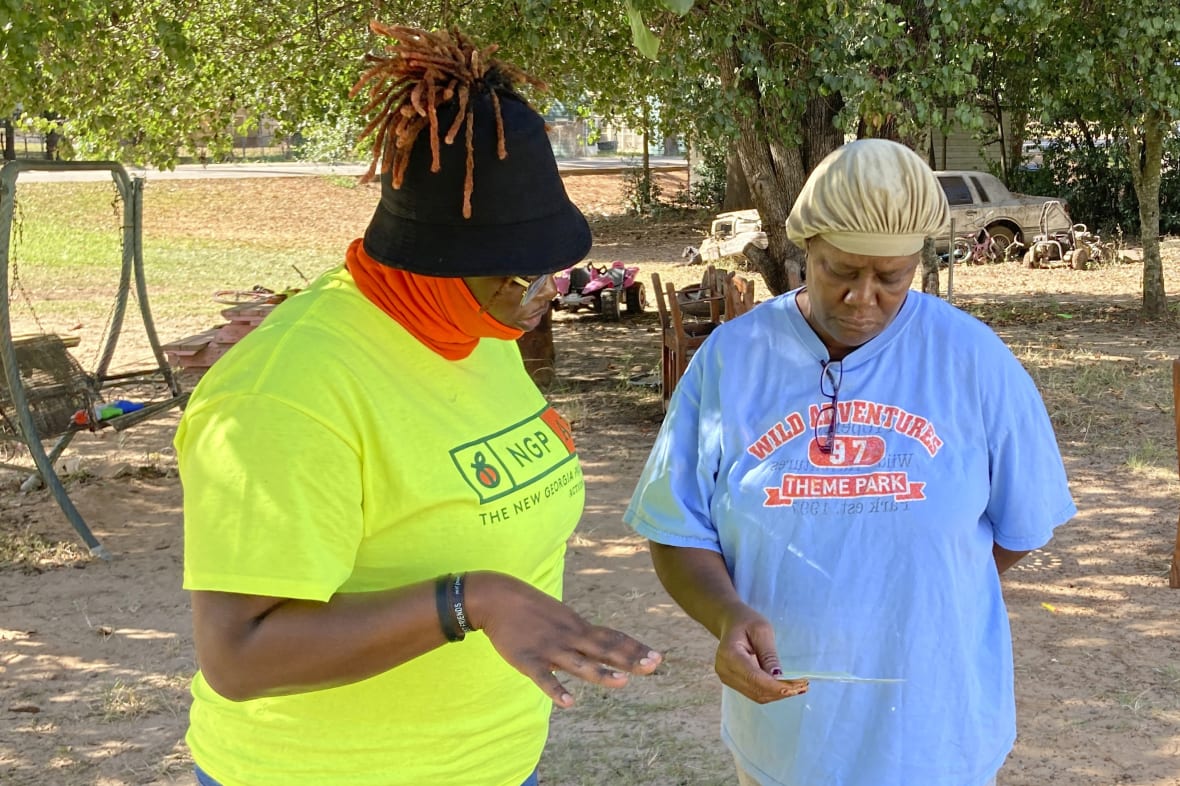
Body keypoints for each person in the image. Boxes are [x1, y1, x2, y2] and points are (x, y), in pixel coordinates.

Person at [177, 23, 661, 786]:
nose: (542, 298)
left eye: (553, 274)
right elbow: (239, 653)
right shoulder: (287, 393)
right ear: (433, 263)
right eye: (518, 279)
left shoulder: (477, 328)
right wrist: (468, 601)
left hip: (493, 765)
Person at [624, 139, 1076, 786]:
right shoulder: (733, 360)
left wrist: (924, 589)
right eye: (840, 270)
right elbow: (675, 527)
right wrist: (726, 616)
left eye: (892, 277)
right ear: (803, 248)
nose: (864, 298)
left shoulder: (974, 362)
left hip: (935, 737)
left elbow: (1021, 526)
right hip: (786, 742)